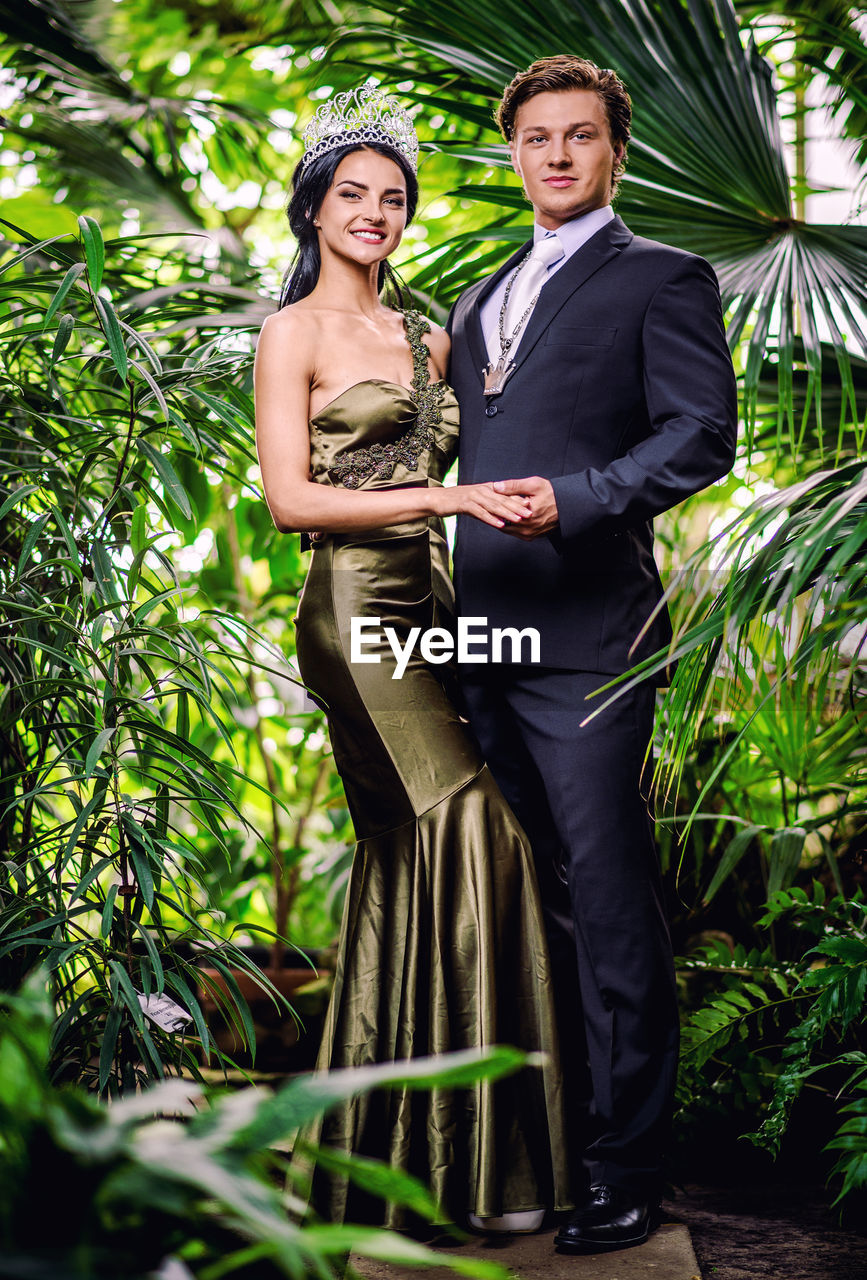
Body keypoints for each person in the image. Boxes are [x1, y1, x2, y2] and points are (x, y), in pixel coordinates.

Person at [254, 83, 570, 1231]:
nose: (375, 213)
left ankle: (410, 1164)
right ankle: (488, 1164)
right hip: (352, 609)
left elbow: (502, 445)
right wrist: (447, 492)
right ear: (316, 208)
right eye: (355, 195)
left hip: (434, 600)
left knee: (408, 857)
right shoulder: (293, 334)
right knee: (471, 829)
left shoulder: (429, 332)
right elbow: (290, 501)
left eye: (392, 199)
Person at [447, 56, 738, 1253]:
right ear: (511, 151)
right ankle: (544, 1147)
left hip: (592, 639)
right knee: (527, 907)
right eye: (536, 138)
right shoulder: (473, 299)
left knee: (611, 901)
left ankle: (626, 1166)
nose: (557, 155)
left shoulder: (663, 277)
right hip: (477, 634)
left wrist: (576, 498)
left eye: (580, 137)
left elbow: (702, 433)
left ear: (613, 150)